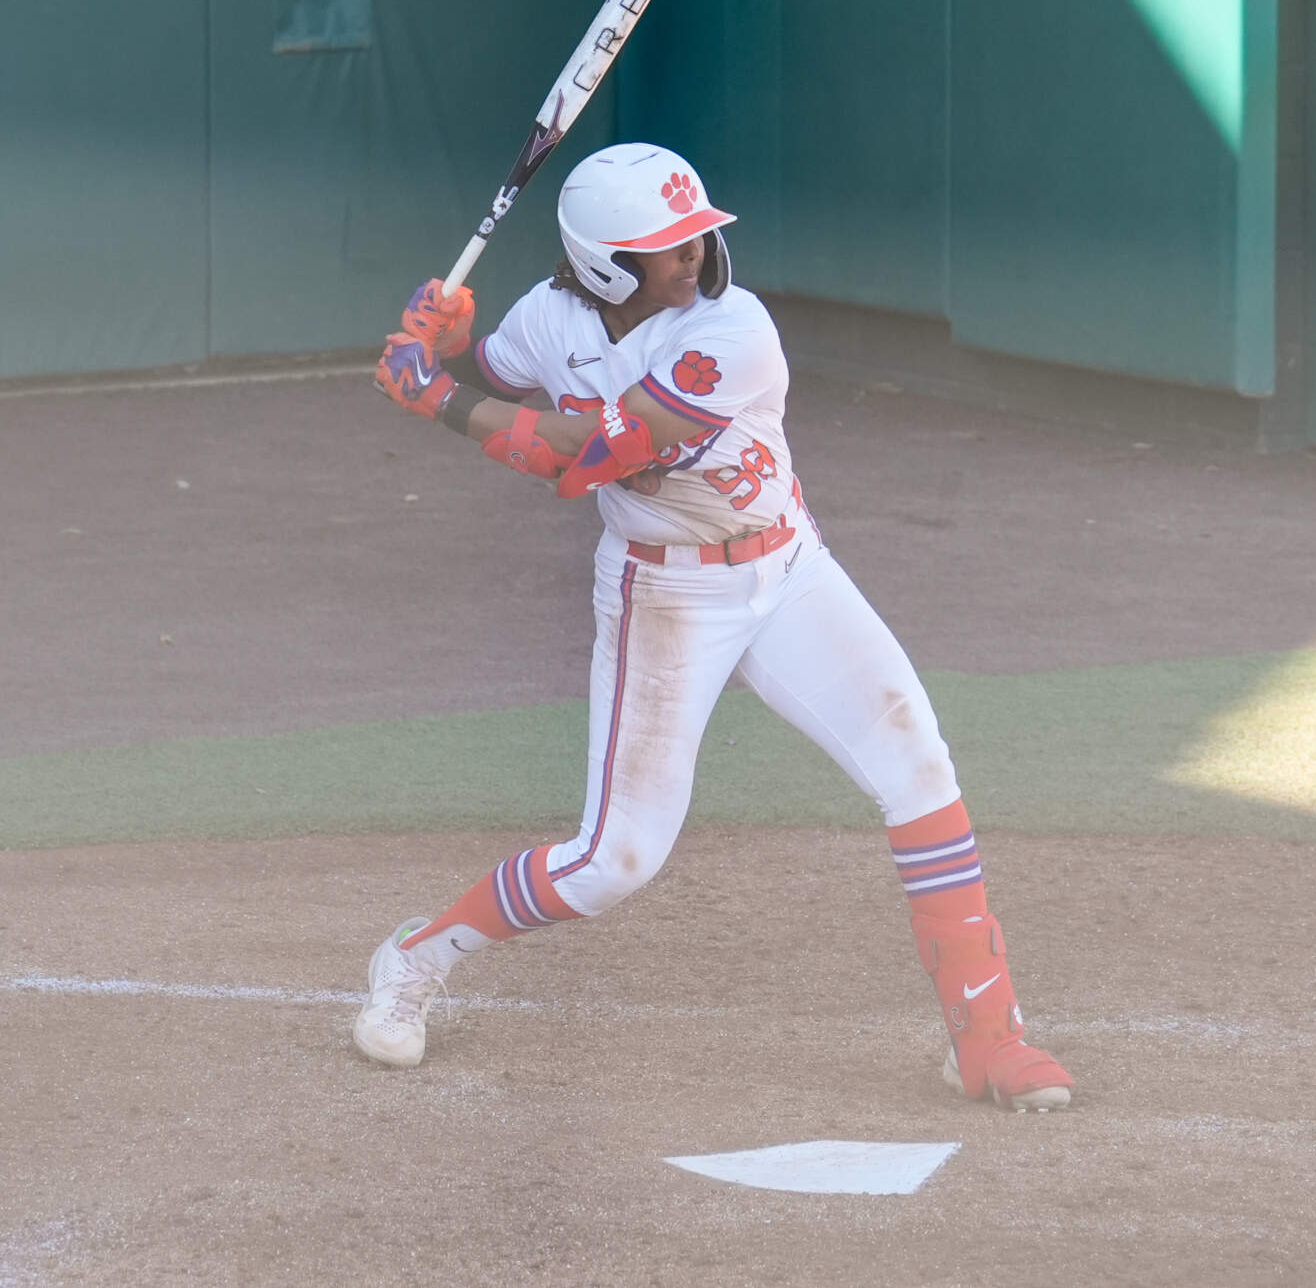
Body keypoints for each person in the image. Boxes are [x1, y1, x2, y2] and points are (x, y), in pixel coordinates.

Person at [363, 142, 1074, 1111]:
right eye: (669, 242)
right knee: (615, 861)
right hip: (663, 596)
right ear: (605, 265)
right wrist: (445, 339)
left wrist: (438, 396)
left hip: (786, 569)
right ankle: (417, 954)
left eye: (697, 231)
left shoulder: (733, 329)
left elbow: (588, 452)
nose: (694, 250)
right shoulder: (547, 316)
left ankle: (988, 1040)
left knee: (917, 759)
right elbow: (502, 365)